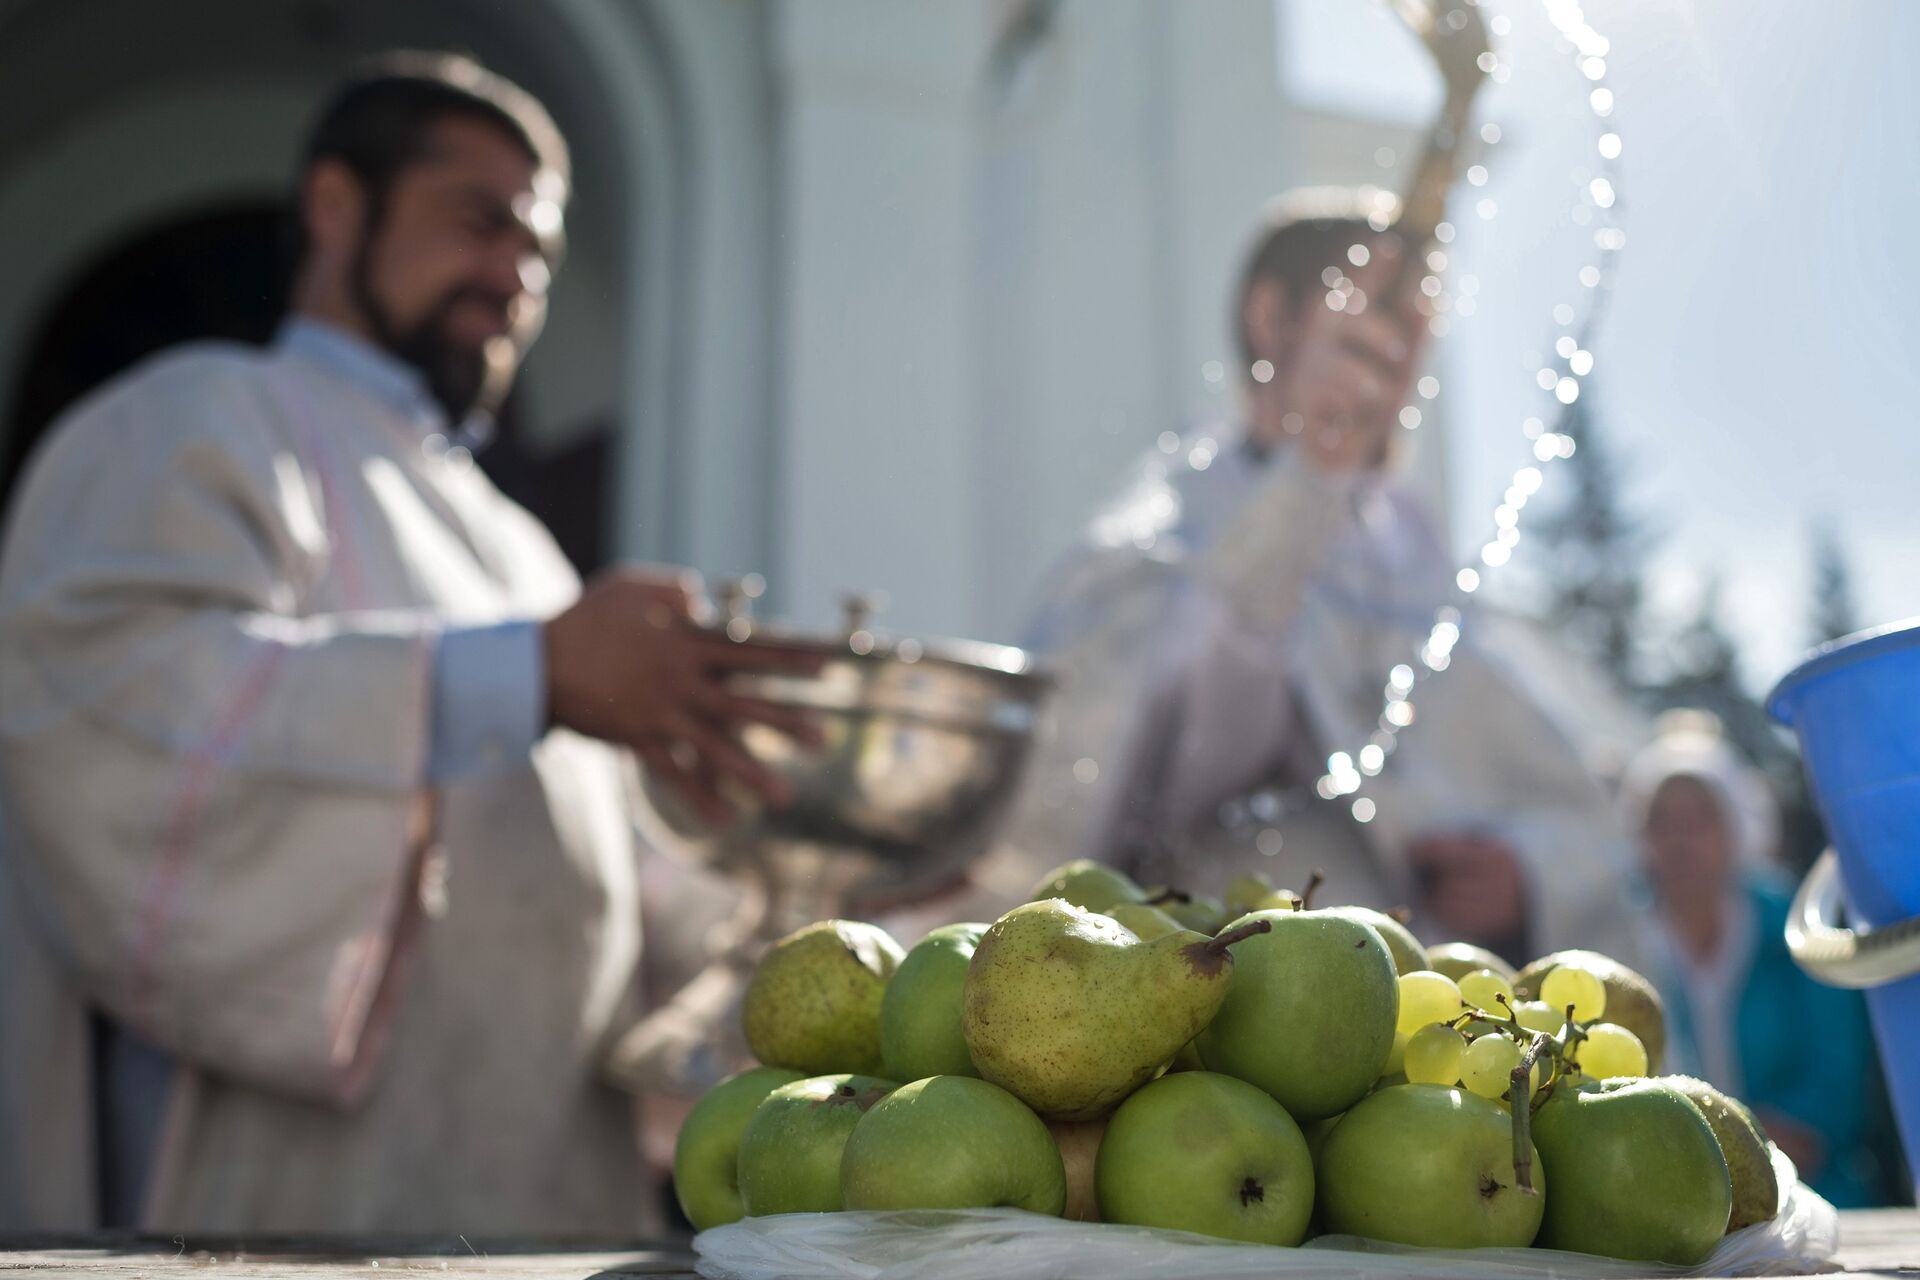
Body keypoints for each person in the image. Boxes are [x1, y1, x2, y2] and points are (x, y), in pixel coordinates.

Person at [0, 52, 817, 1233]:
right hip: (273, 1195)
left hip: (540, 1187)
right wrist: (532, 670)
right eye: (481, 223)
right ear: (337, 205)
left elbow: (570, 876)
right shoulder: (197, 417)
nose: (514, 276)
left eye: (538, 251)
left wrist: (796, 890)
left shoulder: (516, 544)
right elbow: (109, 717)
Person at [980, 187, 1642, 965]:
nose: (1394, 367)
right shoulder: (1170, 521)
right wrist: (1307, 481)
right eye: (1364, 327)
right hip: (1210, 991)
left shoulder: (1413, 552)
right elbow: (1123, 770)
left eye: (1410, 337)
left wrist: (1523, 876)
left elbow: (1579, 808)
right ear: (1272, 319)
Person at [1621, 712, 1886, 1207]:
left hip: (1816, 1192)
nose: (1680, 839)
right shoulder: (1620, 935)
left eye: (1699, 819)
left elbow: (1839, 1075)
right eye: (1662, 821)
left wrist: (1781, 1139)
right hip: (1670, 1200)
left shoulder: (1797, 927)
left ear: (1736, 825)